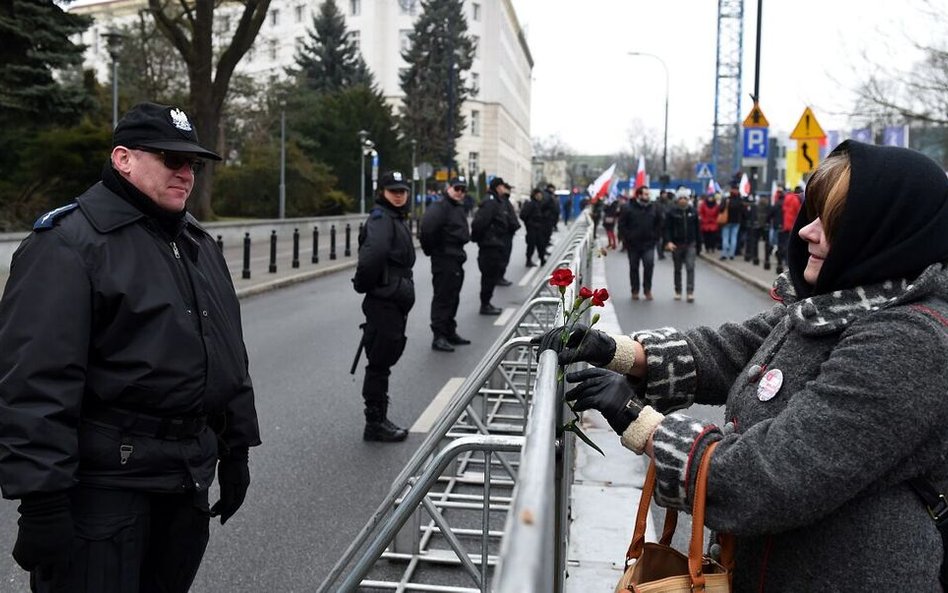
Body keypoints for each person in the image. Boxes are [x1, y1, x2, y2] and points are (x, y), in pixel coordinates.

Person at [537, 141, 948, 591]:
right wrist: (616, 351)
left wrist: (641, 423)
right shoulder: (838, 303)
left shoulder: (909, 339)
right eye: (812, 215)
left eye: (833, 223)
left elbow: (774, 474)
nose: (808, 232)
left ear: (886, 232)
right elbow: (736, 350)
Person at [0, 102, 261, 593]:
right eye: (171, 159)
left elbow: (227, 356)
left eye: (194, 164)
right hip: (104, 492)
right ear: (122, 159)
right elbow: (34, 382)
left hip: (184, 481)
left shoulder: (196, 243)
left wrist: (236, 448)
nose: (186, 174)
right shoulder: (69, 244)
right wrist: (41, 502)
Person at [352, 170, 416, 441]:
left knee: (386, 357)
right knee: (379, 362)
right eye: (394, 191)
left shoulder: (394, 217)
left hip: (393, 299)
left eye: (403, 191)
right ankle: (375, 423)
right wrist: (367, 286)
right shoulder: (381, 218)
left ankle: (379, 418)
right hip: (384, 301)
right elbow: (372, 256)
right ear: (383, 192)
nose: (399, 195)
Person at [420, 176, 472, 353]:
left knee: (453, 297)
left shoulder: (456, 207)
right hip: (444, 259)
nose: (460, 192)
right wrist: (434, 252)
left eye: (463, 190)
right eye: (457, 188)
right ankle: (439, 336)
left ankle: (449, 331)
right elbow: (427, 231)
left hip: (456, 258)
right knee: (443, 298)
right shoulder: (440, 207)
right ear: (448, 188)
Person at [471, 177, 519, 314]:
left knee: (491, 276)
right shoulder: (491, 202)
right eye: (503, 186)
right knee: (488, 276)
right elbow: (479, 224)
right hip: (490, 246)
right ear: (498, 187)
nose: (504, 189)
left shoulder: (496, 201)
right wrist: (484, 239)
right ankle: (485, 305)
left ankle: (486, 303)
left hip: (495, 244)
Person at [617, 185, 662, 300]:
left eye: (649, 194)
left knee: (649, 265)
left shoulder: (654, 208)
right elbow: (622, 224)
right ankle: (635, 290)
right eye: (646, 194)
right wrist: (626, 238)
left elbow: (659, 223)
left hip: (649, 244)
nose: (648, 196)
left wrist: (655, 237)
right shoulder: (628, 208)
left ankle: (647, 290)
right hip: (633, 244)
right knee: (634, 267)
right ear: (639, 195)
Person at [664, 189, 700, 302]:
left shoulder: (693, 212)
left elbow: (697, 229)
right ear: (677, 200)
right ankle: (678, 291)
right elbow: (667, 229)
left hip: (690, 243)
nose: (683, 200)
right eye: (681, 198)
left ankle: (690, 292)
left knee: (690, 267)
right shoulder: (672, 212)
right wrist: (668, 241)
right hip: (677, 244)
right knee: (677, 268)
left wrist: (699, 244)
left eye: (685, 198)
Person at [519, 187, 548, 268]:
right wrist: (529, 223)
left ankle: (542, 259)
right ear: (535, 195)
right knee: (531, 245)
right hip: (532, 228)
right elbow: (523, 215)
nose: (540, 196)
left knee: (541, 245)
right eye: (539, 195)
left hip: (539, 228)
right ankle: (528, 260)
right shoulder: (530, 204)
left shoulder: (539, 204)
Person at [719, 185, 745, 260]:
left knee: (725, 238)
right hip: (736, 221)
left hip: (726, 221)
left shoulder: (726, 199)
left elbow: (720, 209)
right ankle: (731, 254)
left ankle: (724, 253)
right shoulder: (740, 200)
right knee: (734, 237)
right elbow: (743, 211)